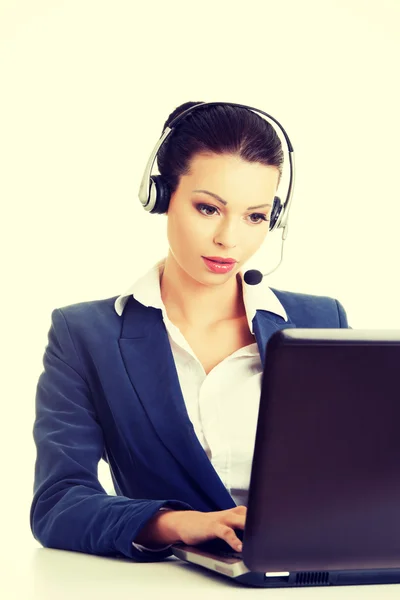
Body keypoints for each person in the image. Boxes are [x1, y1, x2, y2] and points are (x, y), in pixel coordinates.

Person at [30, 101, 349, 562]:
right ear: (161, 198)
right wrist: (179, 524)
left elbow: (363, 474)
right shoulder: (84, 335)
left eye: (255, 216)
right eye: (207, 208)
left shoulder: (322, 322)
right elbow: (57, 504)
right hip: (171, 582)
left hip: (311, 575)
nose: (229, 238)